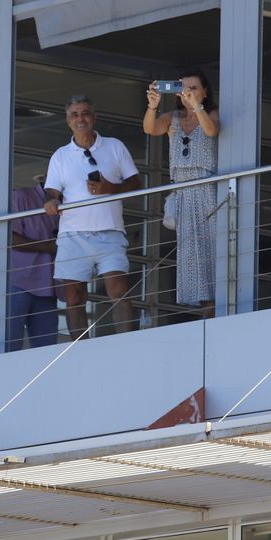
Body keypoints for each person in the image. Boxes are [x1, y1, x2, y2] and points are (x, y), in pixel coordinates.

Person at [43, 95, 143, 338]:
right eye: (74, 115)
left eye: (85, 113)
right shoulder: (60, 155)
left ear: (94, 117)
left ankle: (127, 345)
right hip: (73, 235)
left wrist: (110, 188)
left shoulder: (115, 146)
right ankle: (79, 350)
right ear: (68, 121)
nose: (80, 118)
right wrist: (51, 200)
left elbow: (135, 183)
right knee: (74, 296)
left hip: (110, 231)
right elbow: (51, 190)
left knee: (118, 290)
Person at [143, 69, 220, 312]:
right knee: (191, 255)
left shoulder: (212, 113)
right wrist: (153, 105)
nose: (188, 92)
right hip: (184, 191)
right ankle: (205, 308)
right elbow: (150, 128)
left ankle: (216, 306)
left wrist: (197, 106)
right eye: (184, 88)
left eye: (194, 88)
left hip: (207, 189)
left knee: (212, 249)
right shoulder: (172, 117)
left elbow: (211, 131)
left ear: (205, 92)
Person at [6, 178, 59, 351]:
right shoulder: (20, 197)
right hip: (18, 283)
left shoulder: (69, 203)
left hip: (49, 287)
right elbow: (8, 237)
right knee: (8, 349)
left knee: (47, 353)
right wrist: (47, 246)